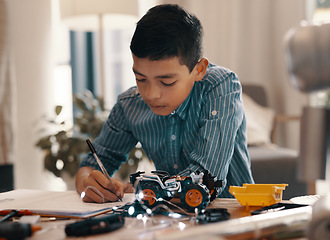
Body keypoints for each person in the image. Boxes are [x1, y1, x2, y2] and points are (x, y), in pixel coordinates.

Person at [75, 4, 254, 203]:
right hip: (170, 217)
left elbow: (205, 177)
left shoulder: (220, 86)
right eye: (141, 79)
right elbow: (93, 164)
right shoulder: (129, 105)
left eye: (167, 82)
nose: (151, 94)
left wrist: (146, 187)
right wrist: (88, 183)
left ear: (199, 69)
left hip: (234, 215)